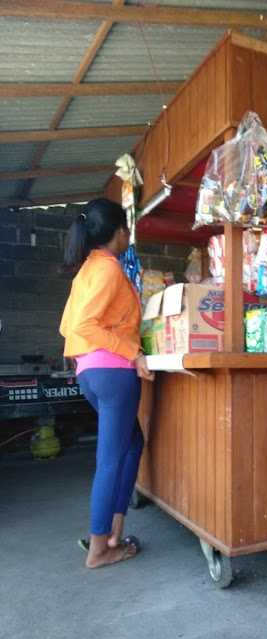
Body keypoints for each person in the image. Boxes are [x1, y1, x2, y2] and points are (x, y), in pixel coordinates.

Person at [60, 198, 154, 569]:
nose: (129, 234)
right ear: (117, 232)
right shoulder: (109, 270)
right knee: (111, 459)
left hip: (91, 372)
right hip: (114, 372)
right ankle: (99, 549)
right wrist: (132, 352)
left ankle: (114, 533)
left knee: (132, 444)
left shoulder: (86, 272)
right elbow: (83, 325)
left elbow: (67, 327)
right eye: (127, 227)